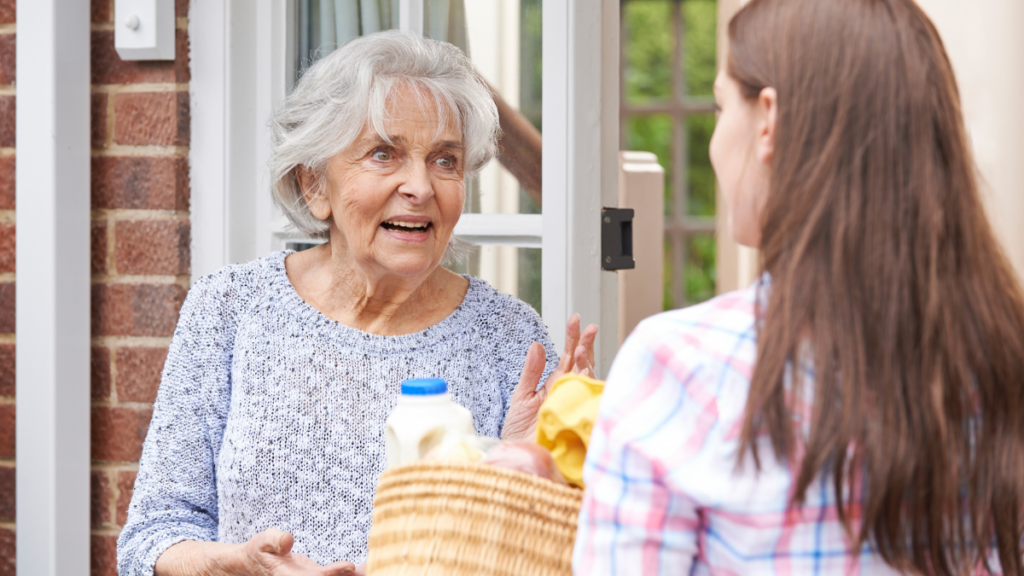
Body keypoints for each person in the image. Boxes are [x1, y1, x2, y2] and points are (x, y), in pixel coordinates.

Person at [117, 30, 598, 576]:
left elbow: (564, 552)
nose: (420, 186)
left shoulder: (510, 335)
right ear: (314, 183)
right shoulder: (230, 308)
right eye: (383, 153)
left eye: (445, 160)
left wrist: (526, 472)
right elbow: (152, 537)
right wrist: (230, 565)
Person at [574, 0, 1024, 574]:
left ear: (769, 121)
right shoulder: (1003, 364)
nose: (715, 144)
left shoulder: (682, 370)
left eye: (719, 106)